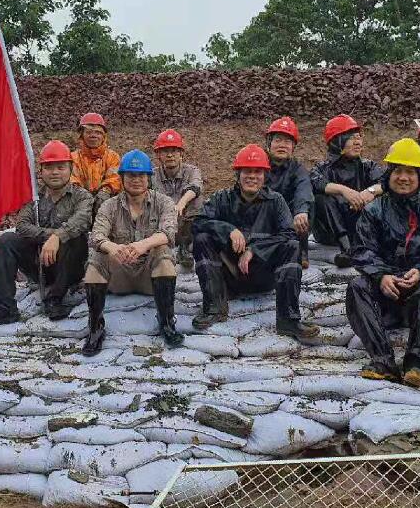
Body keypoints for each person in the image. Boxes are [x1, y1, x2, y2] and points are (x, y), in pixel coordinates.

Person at [347, 139, 420, 387]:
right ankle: (382, 361)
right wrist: (381, 276)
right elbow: (362, 250)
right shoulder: (374, 211)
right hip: (385, 289)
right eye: (398, 171)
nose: (404, 178)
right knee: (357, 286)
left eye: (410, 172)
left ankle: (415, 364)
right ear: (389, 174)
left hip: (417, 286)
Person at [192, 144, 320, 342]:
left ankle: (288, 319)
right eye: (247, 172)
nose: (252, 177)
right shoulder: (222, 198)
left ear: (265, 175)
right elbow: (198, 222)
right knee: (202, 238)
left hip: (264, 275)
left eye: (257, 172)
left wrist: (254, 249)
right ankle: (214, 308)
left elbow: (289, 233)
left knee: (292, 246)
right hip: (231, 276)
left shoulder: (276, 201)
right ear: (238, 175)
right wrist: (228, 230)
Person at [0, 140, 92, 330]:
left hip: (70, 267)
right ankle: (5, 307)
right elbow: (22, 226)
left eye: (60, 167)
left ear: (70, 169)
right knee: (7, 240)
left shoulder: (82, 196)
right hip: (39, 264)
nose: (55, 172)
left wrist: (58, 238)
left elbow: (81, 221)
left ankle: (55, 299)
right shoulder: (33, 197)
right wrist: (50, 237)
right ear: (41, 171)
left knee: (76, 238)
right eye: (49, 167)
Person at [81, 150, 182, 356]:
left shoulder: (164, 203)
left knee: (163, 251)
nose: (136, 180)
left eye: (141, 175)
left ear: (149, 178)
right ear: (122, 178)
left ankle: (166, 322)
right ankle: (95, 327)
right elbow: (96, 235)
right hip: (119, 276)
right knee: (97, 256)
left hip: (150, 277)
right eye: (131, 175)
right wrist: (113, 247)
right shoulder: (109, 206)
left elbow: (169, 232)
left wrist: (143, 245)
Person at [310, 114, 384, 268]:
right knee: (321, 198)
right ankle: (347, 248)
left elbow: (386, 182)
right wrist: (343, 190)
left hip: (358, 227)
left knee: (382, 197)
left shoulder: (367, 166)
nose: (358, 142)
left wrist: (369, 192)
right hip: (329, 233)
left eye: (359, 137)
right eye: (351, 138)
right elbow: (314, 182)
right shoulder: (322, 168)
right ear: (337, 141)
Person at [264, 117, 314, 270]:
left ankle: (302, 250)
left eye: (287, 142)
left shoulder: (298, 169)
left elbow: (303, 188)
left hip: (290, 220)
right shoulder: (259, 165)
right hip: (264, 215)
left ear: (293, 147)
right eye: (278, 140)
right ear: (269, 143)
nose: (282, 145)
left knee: (309, 204)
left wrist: (301, 211)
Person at [151, 129, 203, 269]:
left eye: (174, 150)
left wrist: (181, 203)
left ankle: (186, 247)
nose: (170, 155)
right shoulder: (152, 175)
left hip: (186, 224)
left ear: (181, 154)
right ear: (158, 155)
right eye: (165, 151)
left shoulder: (192, 171)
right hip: (161, 224)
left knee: (196, 198)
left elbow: (196, 186)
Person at [70, 112, 121, 212]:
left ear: (103, 136)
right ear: (82, 135)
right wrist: (84, 196)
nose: (93, 135)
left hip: (108, 202)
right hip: (78, 202)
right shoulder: (73, 158)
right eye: (89, 132)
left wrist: (105, 191)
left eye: (98, 132)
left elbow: (115, 178)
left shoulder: (113, 157)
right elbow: (72, 180)